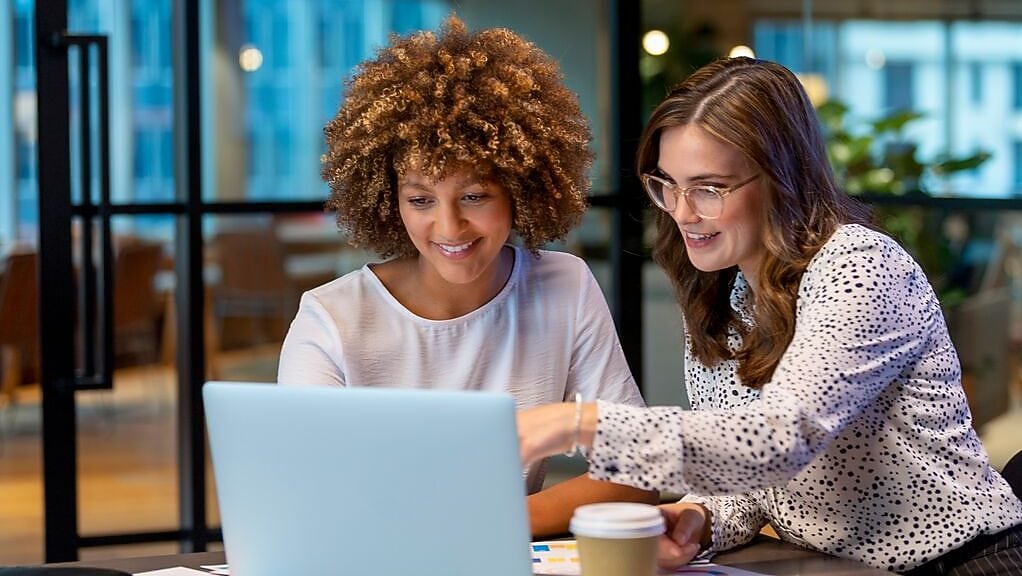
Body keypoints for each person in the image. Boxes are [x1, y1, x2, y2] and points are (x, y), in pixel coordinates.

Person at [516, 57, 1022, 574]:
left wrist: (580, 423)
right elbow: (750, 483)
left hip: (966, 563)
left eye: (709, 188)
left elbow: (780, 438)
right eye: (669, 184)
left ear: (783, 178)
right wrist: (698, 518)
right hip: (835, 568)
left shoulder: (862, 265)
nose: (683, 211)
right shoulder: (729, 293)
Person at [277, 16, 657, 537]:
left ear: (519, 189)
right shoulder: (332, 318)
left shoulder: (563, 286)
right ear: (390, 201)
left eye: (475, 196)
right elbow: (302, 494)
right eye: (420, 200)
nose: (449, 226)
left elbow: (637, 472)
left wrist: (486, 523)